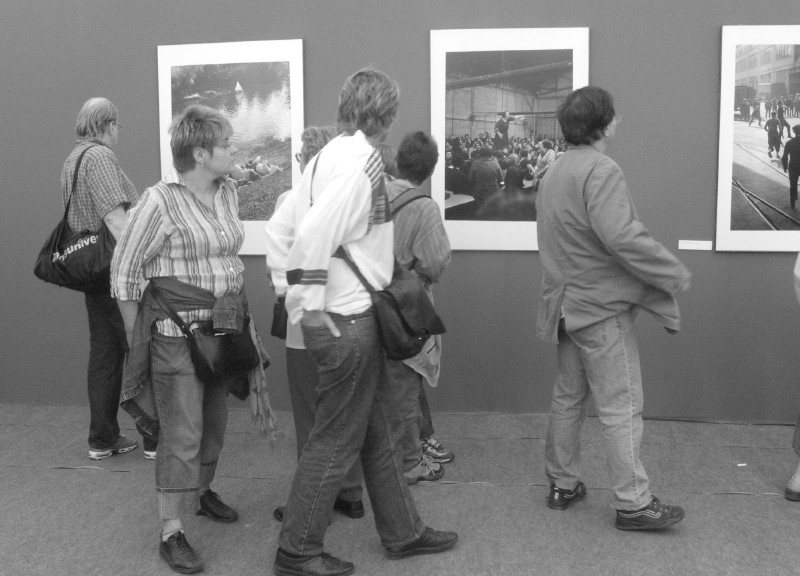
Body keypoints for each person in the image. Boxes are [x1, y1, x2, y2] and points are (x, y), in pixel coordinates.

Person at [265, 68, 457, 576]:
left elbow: (282, 230)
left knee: (374, 430)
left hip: (344, 316)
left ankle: (403, 531)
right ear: (388, 114)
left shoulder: (327, 155)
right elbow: (310, 236)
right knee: (335, 439)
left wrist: (292, 295)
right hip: (350, 318)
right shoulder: (362, 162)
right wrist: (306, 304)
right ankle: (298, 549)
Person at [111, 105, 274, 574]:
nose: (234, 151)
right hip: (175, 337)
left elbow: (227, 249)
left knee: (215, 422)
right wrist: (135, 336)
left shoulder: (227, 193)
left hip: (222, 329)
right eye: (226, 145)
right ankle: (171, 530)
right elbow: (124, 273)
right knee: (181, 433)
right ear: (200, 153)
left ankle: (202, 493)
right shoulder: (159, 202)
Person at [536, 86, 691, 530]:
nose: (618, 120)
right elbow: (620, 236)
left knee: (567, 399)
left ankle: (562, 484)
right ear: (602, 125)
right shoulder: (601, 169)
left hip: (565, 308)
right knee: (621, 406)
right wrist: (670, 271)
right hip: (600, 310)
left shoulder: (554, 170)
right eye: (614, 116)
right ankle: (633, 503)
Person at [266, 125, 367, 524]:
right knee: (347, 412)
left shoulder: (290, 201)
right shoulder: (357, 202)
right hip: (353, 323)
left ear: (303, 161)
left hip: (305, 327)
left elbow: (284, 268)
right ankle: (350, 492)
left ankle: (311, 504)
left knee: (311, 418)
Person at [60, 97, 145, 461]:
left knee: (105, 353)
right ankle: (154, 436)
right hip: (115, 269)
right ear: (107, 124)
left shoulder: (72, 159)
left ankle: (102, 438)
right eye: (118, 125)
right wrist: (139, 259)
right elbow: (115, 218)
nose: (119, 132)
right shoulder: (99, 157)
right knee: (140, 346)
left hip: (91, 270)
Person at [383, 131, 454, 485]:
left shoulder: (373, 193)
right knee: (407, 381)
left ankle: (420, 442)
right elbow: (437, 262)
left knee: (396, 380)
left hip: (368, 304)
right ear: (430, 169)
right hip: (405, 305)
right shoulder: (424, 207)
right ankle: (411, 462)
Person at [781, 124, 800, 209]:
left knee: (793, 185)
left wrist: (785, 167)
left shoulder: (789, 142)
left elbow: (784, 157)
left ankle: (793, 201)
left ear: (794, 132)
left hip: (793, 167)